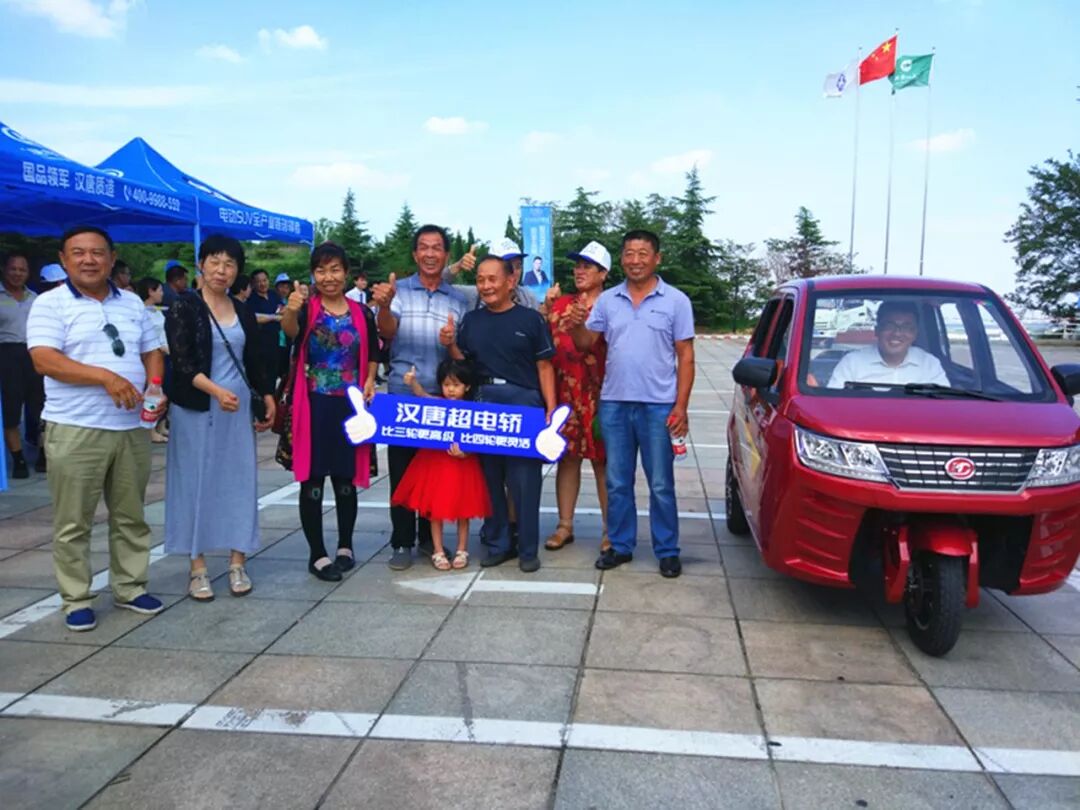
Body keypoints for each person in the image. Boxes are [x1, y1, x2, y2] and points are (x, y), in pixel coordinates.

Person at [27, 225, 167, 631]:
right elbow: (44, 359)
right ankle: (76, 598)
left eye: (97, 252)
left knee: (131, 515)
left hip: (130, 427)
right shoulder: (50, 304)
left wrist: (155, 385)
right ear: (64, 259)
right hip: (75, 427)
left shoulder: (132, 303)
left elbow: (151, 350)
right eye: (78, 253)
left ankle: (130, 586)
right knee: (74, 521)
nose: (89, 260)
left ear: (111, 257)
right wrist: (106, 378)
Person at [567, 229, 695, 579]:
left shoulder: (676, 301)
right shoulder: (609, 300)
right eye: (629, 254)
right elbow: (586, 343)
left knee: (661, 483)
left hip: (659, 406)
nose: (635, 260)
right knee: (618, 481)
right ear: (621, 259)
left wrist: (681, 406)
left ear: (657, 258)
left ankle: (667, 550)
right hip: (615, 404)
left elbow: (685, 356)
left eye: (643, 253)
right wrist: (576, 327)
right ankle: (620, 546)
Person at [164, 236, 276, 600]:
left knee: (239, 480)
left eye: (229, 264)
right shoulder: (183, 307)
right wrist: (215, 391)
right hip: (196, 405)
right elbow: (182, 363)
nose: (221, 270)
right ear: (201, 264)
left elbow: (254, 359)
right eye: (214, 262)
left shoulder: (241, 310)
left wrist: (267, 396)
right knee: (194, 482)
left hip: (236, 405)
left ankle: (237, 561)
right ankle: (197, 567)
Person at [446, 255, 556, 573]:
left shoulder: (531, 319)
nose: (486, 285)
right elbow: (463, 364)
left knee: (525, 481)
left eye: (492, 279)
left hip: (524, 404)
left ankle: (527, 549)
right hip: (485, 403)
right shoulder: (472, 321)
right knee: (490, 479)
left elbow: (544, 366)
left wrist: (550, 409)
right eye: (480, 279)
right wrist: (450, 344)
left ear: (510, 281)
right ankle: (498, 543)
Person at [370, 225, 469, 570]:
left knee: (434, 472)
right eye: (424, 247)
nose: (430, 254)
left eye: (437, 248)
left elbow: (461, 357)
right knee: (401, 470)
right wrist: (384, 307)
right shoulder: (398, 291)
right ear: (415, 254)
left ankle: (429, 539)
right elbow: (386, 330)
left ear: (446, 255)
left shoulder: (457, 299)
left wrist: (451, 343)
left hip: (441, 399)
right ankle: (401, 541)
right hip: (402, 396)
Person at [282, 241, 379, 582]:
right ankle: (317, 554)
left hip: (350, 406)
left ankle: (345, 546)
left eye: (335, 269)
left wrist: (370, 379)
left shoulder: (362, 312)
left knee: (345, 479)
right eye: (321, 270)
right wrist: (290, 310)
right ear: (313, 275)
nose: (328, 277)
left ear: (346, 273)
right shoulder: (306, 309)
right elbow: (291, 334)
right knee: (313, 480)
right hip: (313, 404)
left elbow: (373, 353)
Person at [543, 241, 611, 552]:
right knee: (567, 459)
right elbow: (544, 346)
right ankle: (565, 525)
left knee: (604, 463)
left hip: (601, 396)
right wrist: (546, 308)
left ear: (603, 273)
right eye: (578, 265)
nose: (580, 271)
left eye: (588, 266)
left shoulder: (613, 305)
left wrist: (581, 323)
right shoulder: (561, 304)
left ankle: (611, 529)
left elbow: (591, 343)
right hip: (565, 395)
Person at [392, 358, 490, 570]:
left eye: (456, 385)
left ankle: (462, 549)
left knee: (464, 508)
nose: (451, 390)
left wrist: (467, 452)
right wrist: (413, 382)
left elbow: (480, 437)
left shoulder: (474, 410)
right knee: (435, 509)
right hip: (436, 463)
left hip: (463, 464)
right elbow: (422, 396)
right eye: (446, 385)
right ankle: (437, 550)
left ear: (467, 386)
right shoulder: (438, 404)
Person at [827, 301, 949, 388]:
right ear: (877, 330)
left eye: (906, 327)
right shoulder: (852, 363)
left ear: (915, 334)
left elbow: (943, 407)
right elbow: (833, 405)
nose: (897, 333)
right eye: (890, 326)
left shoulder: (930, 364)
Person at [1, 251, 45, 477]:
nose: (17, 273)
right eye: (13, 269)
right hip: (7, 355)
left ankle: (43, 454)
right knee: (11, 408)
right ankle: (17, 458)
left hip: (34, 354)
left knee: (40, 407)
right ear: (4, 269)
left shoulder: (35, 298)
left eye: (22, 270)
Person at [443, 239, 540, 311]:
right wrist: (457, 267)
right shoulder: (473, 296)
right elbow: (437, 284)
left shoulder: (528, 299)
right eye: (508, 267)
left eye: (518, 266)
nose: (514, 272)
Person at [245, 268, 283, 390]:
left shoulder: (273, 295)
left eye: (265, 280)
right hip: (259, 341)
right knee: (261, 374)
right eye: (259, 281)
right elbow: (253, 317)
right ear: (253, 284)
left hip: (275, 340)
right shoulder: (251, 298)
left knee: (274, 372)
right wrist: (274, 317)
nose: (262, 284)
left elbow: (282, 310)